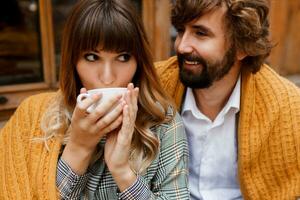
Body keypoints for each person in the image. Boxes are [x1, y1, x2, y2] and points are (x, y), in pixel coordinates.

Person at [0, 0, 189, 199]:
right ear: (72, 62)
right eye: (92, 57)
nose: (107, 77)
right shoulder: (38, 117)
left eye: (123, 57)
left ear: (139, 63)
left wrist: (122, 171)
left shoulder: (162, 122)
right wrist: (79, 148)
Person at [155, 0, 300, 199]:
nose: (182, 46)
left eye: (200, 33)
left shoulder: (287, 106)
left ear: (241, 47)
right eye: (181, 31)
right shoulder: (155, 86)